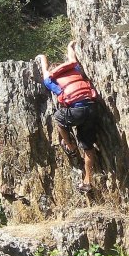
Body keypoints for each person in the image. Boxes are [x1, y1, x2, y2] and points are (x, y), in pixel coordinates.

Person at [36, 41, 98, 193]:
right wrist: (70, 47)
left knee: (58, 119)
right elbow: (73, 58)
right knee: (88, 147)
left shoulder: (52, 80)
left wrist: (42, 57)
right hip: (92, 108)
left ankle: (70, 146)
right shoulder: (76, 70)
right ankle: (87, 181)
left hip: (76, 111)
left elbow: (44, 70)